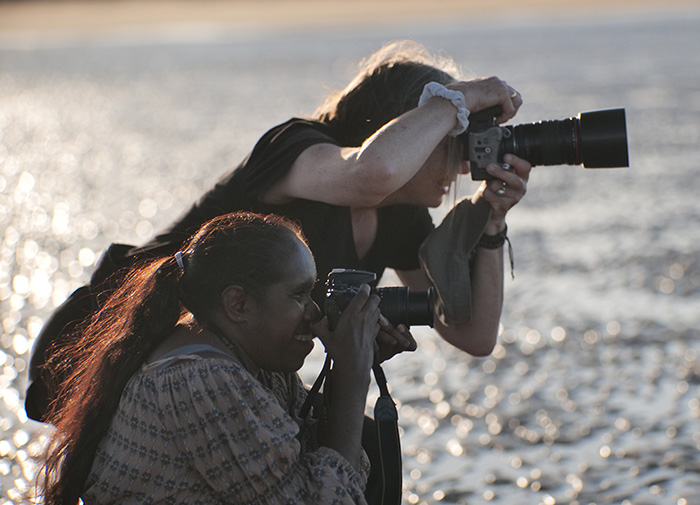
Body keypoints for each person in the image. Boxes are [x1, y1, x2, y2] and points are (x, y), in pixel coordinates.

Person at [27, 39, 531, 422]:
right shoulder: (297, 148)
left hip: (206, 384)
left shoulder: (398, 216)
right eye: (447, 138)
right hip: (102, 350)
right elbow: (369, 174)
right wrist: (453, 101)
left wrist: (491, 221)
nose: (461, 161)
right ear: (401, 128)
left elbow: (472, 333)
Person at [39, 212, 381, 505]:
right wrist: (354, 378)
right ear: (239, 304)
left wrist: (349, 358)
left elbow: (314, 462)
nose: (315, 311)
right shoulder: (198, 380)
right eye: (299, 295)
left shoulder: (242, 358)